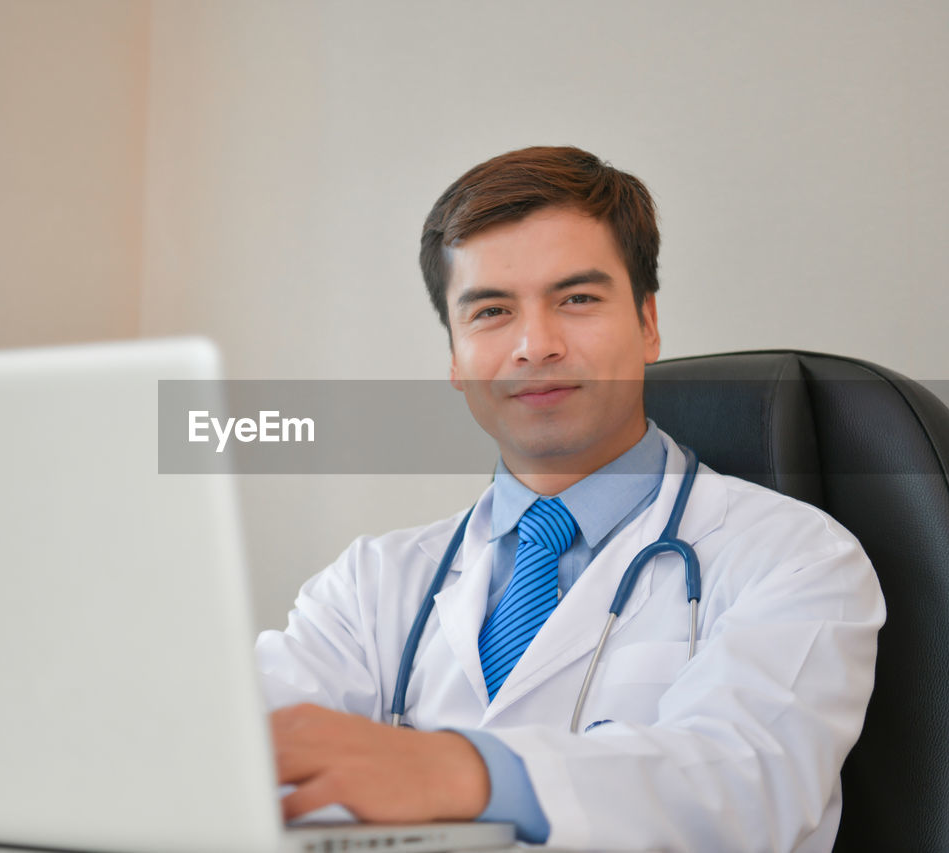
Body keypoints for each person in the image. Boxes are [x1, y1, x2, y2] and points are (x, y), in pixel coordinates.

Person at [255, 145, 886, 850]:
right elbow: (231, 750)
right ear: (456, 361)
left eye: (577, 299)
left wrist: (465, 771)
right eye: (491, 311)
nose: (535, 344)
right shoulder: (370, 585)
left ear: (647, 323)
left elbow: (745, 790)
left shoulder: (796, 557)